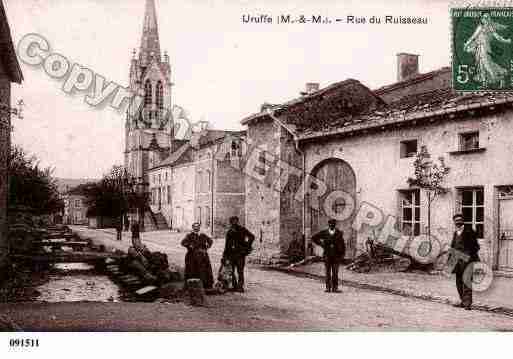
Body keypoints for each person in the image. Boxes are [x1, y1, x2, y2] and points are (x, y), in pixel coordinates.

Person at [449, 214, 480, 310]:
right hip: (457, 260)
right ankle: (463, 301)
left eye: (459, 220)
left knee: (466, 282)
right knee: (458, 281)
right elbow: (453, 247)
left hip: (467, 260)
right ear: (454, 222)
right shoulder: (455, 233)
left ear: (463, 221)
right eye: (456, 220)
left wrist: (469, 256)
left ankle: (467, 304)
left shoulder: (470, 231)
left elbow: (476, 247)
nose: (458, 222)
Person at [222, 216, 255, 292]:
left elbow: (252, 237)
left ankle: (240, 286)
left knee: (240, 271)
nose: (234, 223)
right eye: (232, 221)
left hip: (240, 254)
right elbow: (226, 245)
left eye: (235, 221)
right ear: (230, 223)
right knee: (231, 271)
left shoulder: (242, 229)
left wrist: (247, 245)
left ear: (237, 221)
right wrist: (224, 255)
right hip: (231, 254)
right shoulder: (229, 232)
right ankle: (234, 285)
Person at [312, 219, 346, 293]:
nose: (331, 225)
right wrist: (321, 244)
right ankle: (328, 288)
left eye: (333, 224)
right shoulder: (324, 233)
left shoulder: (339, 233)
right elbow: (314, 238)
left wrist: (342, 255)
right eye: (330, 224)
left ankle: (335, 288)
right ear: (328, 225)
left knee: (335, 273)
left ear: (335, 225)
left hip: (336, 256)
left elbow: (343, 245)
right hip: (327, 255)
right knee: (327, 272)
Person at [181, 222, 214, 289]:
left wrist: (207, 247)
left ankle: (205, 285)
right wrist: (189, 246)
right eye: (195, 227)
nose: (196, 228)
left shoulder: (203, 235)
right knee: (192, 270)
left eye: (198, 226)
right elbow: (183, 242)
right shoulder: (189, 235)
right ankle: (192, 286)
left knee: (203, 270)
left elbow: (210, 241)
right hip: (192, 256)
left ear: (199, 228)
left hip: (202, 256)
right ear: (193, 228)